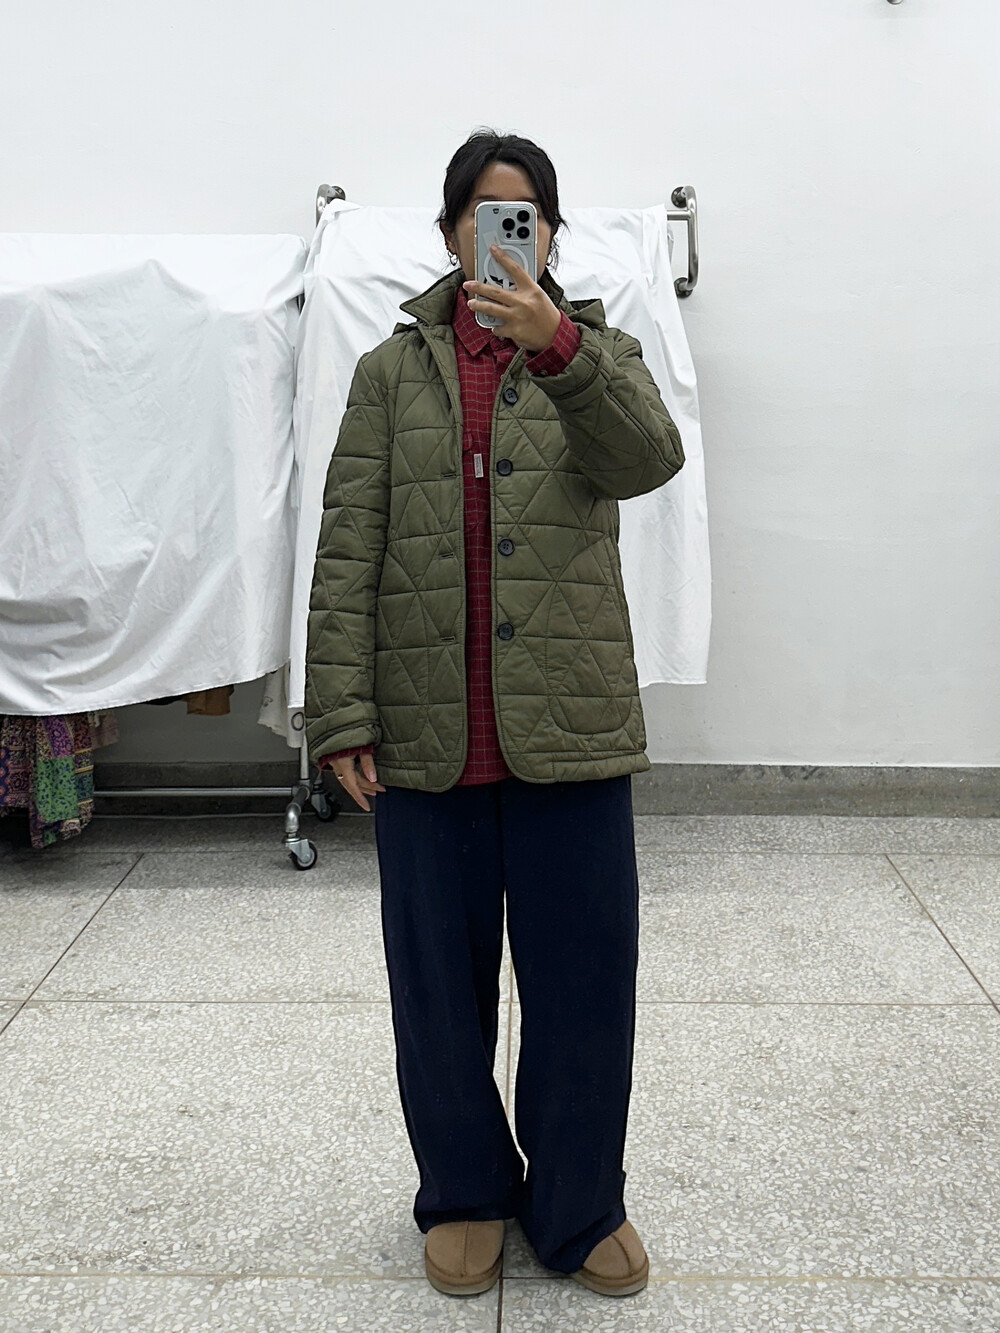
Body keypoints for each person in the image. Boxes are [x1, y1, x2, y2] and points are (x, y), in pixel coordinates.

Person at [304, 128, 685, 1299]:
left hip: (569, 732)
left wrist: (557, 344)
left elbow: (649, 458)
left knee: (583, 987)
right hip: (428, 734)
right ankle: (465, 1188)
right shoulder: (389, 372)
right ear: (449, 232)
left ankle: (577, 1201)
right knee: (437, 991)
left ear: (551, 237)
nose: (502, 233)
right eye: (482, 213)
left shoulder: (597, 354)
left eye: (524, 216)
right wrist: (340, 711)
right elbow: (349, 542)